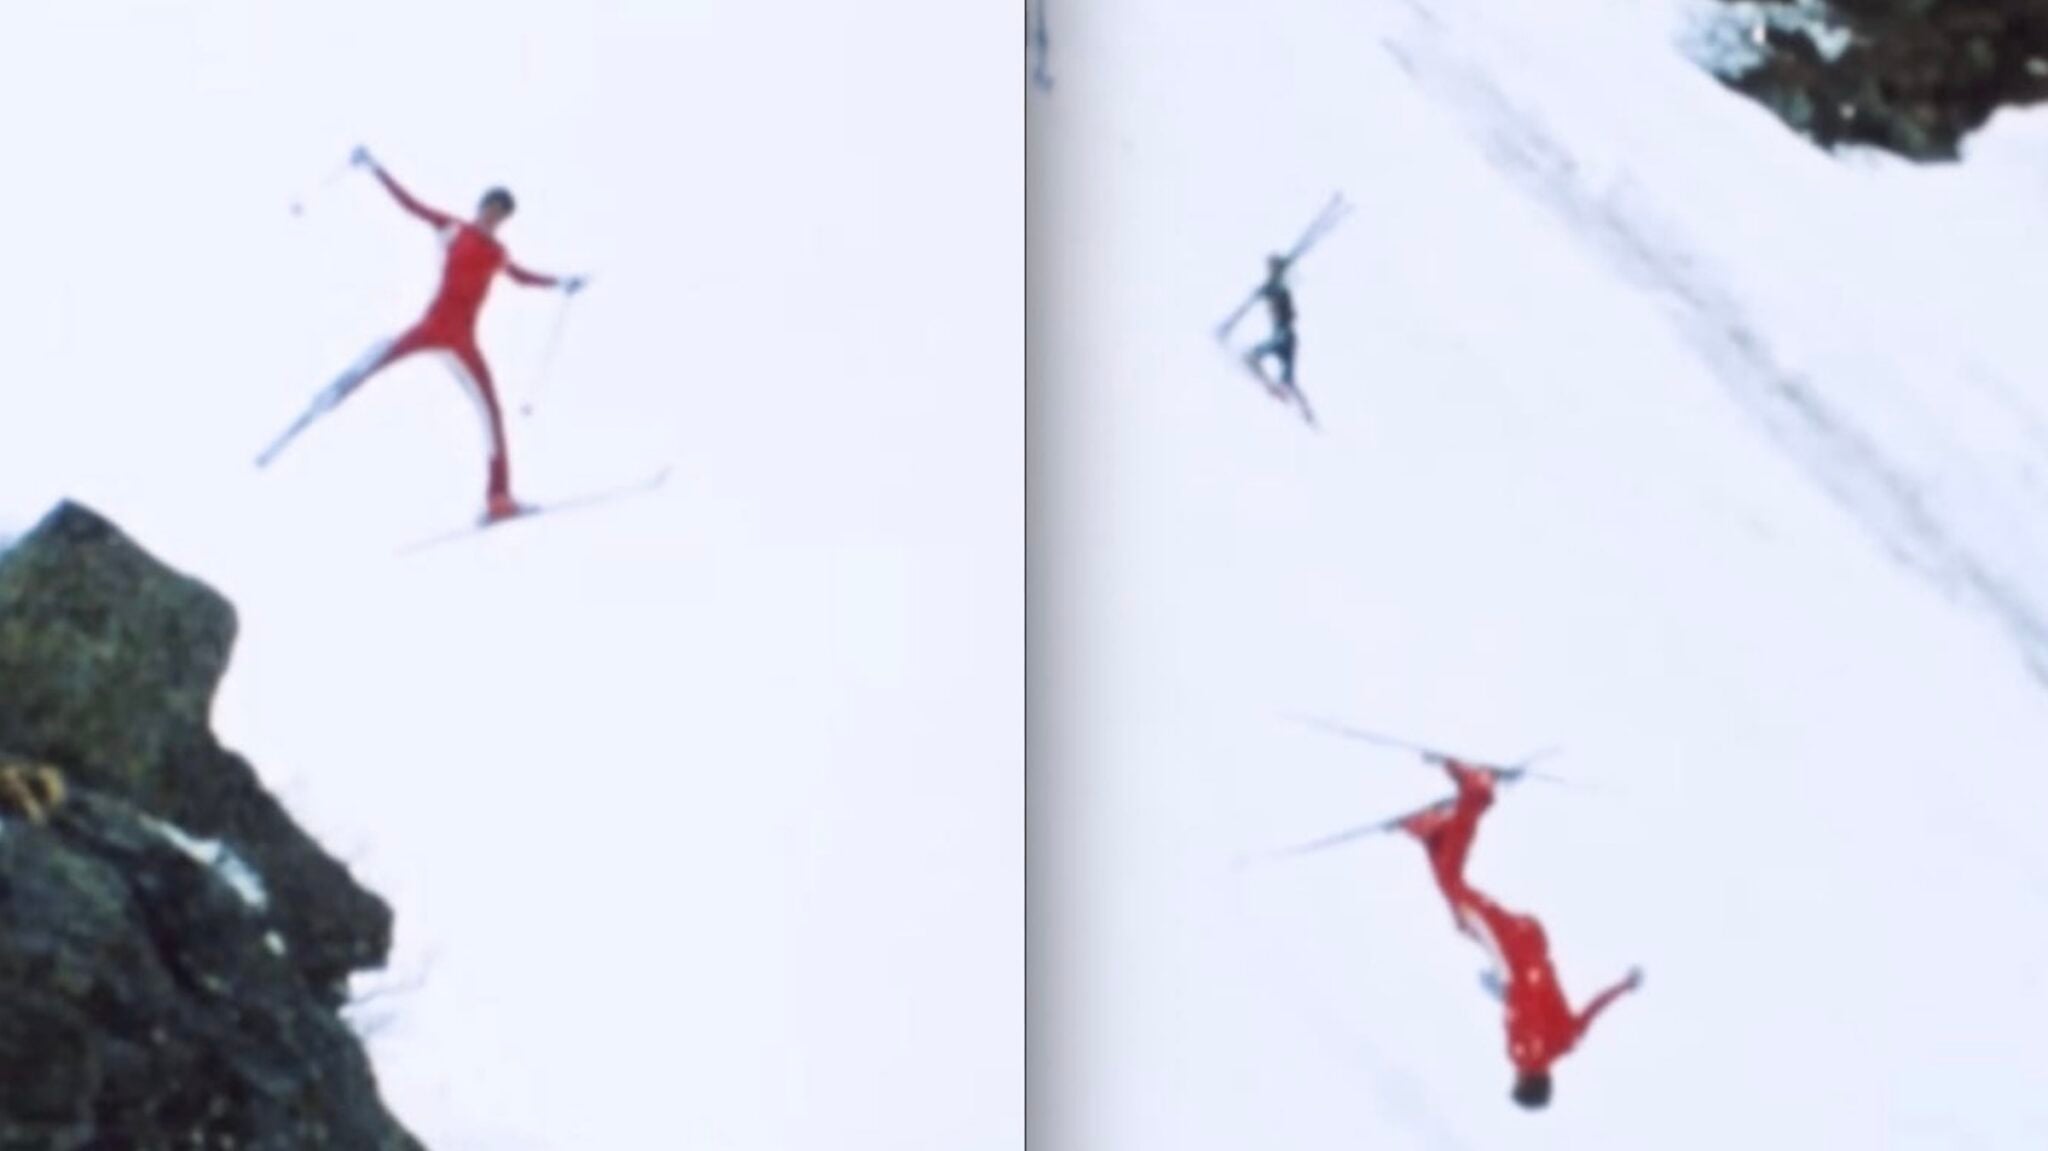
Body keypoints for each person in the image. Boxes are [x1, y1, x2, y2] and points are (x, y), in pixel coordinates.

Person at [260, 145, 587, 523]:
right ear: (482, 206)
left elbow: (523, 278)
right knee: (370, 363)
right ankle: (313, 411)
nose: (495, 220)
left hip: (462, 341)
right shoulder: (453, 229)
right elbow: (410, 204)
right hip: (430, 326)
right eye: (493, 211)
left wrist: (561, 282)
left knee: (491, 413)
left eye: (502, 217)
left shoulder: (498, 253)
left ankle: (498, 498)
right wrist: (375, 170)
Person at [1396, 758, 1641, 1110]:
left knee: (1460, 913)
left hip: (1530, 941)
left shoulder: (1566, 1043)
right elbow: (1521, 1003)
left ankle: (1432, 834)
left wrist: (1625, 986)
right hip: (1512, 951)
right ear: (1526, 1082)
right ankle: (1475, 793)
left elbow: (1591, 1010)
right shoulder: (1522, 1054)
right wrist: (1501, 989)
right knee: (1457, 889)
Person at [1245, 254, 1298, 397]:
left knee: (1251, 357)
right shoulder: (1278, 288)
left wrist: (1264, 290)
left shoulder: (1279, 289)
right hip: (1288, 337)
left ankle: (1276, 388)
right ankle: (1304, 409)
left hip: (1283, 335)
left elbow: (1269, 292)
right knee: (1288, 378)